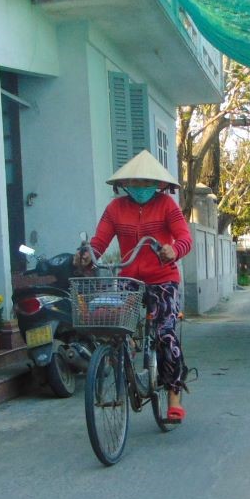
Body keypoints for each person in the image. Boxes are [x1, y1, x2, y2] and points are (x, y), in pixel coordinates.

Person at [75, 150, 192, 423]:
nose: (140, 189)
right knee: (114, 329)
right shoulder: (115, 209)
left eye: (146, 183)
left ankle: (173, 394)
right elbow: (99, 241)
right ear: (125, 184)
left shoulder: (166, 206)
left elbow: (185, 238)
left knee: (164, 334)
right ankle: (123, 370)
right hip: (129, 279)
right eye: (135, 183)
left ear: (158, 184)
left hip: (163, 279)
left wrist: (173, 251)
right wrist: (87, 255)